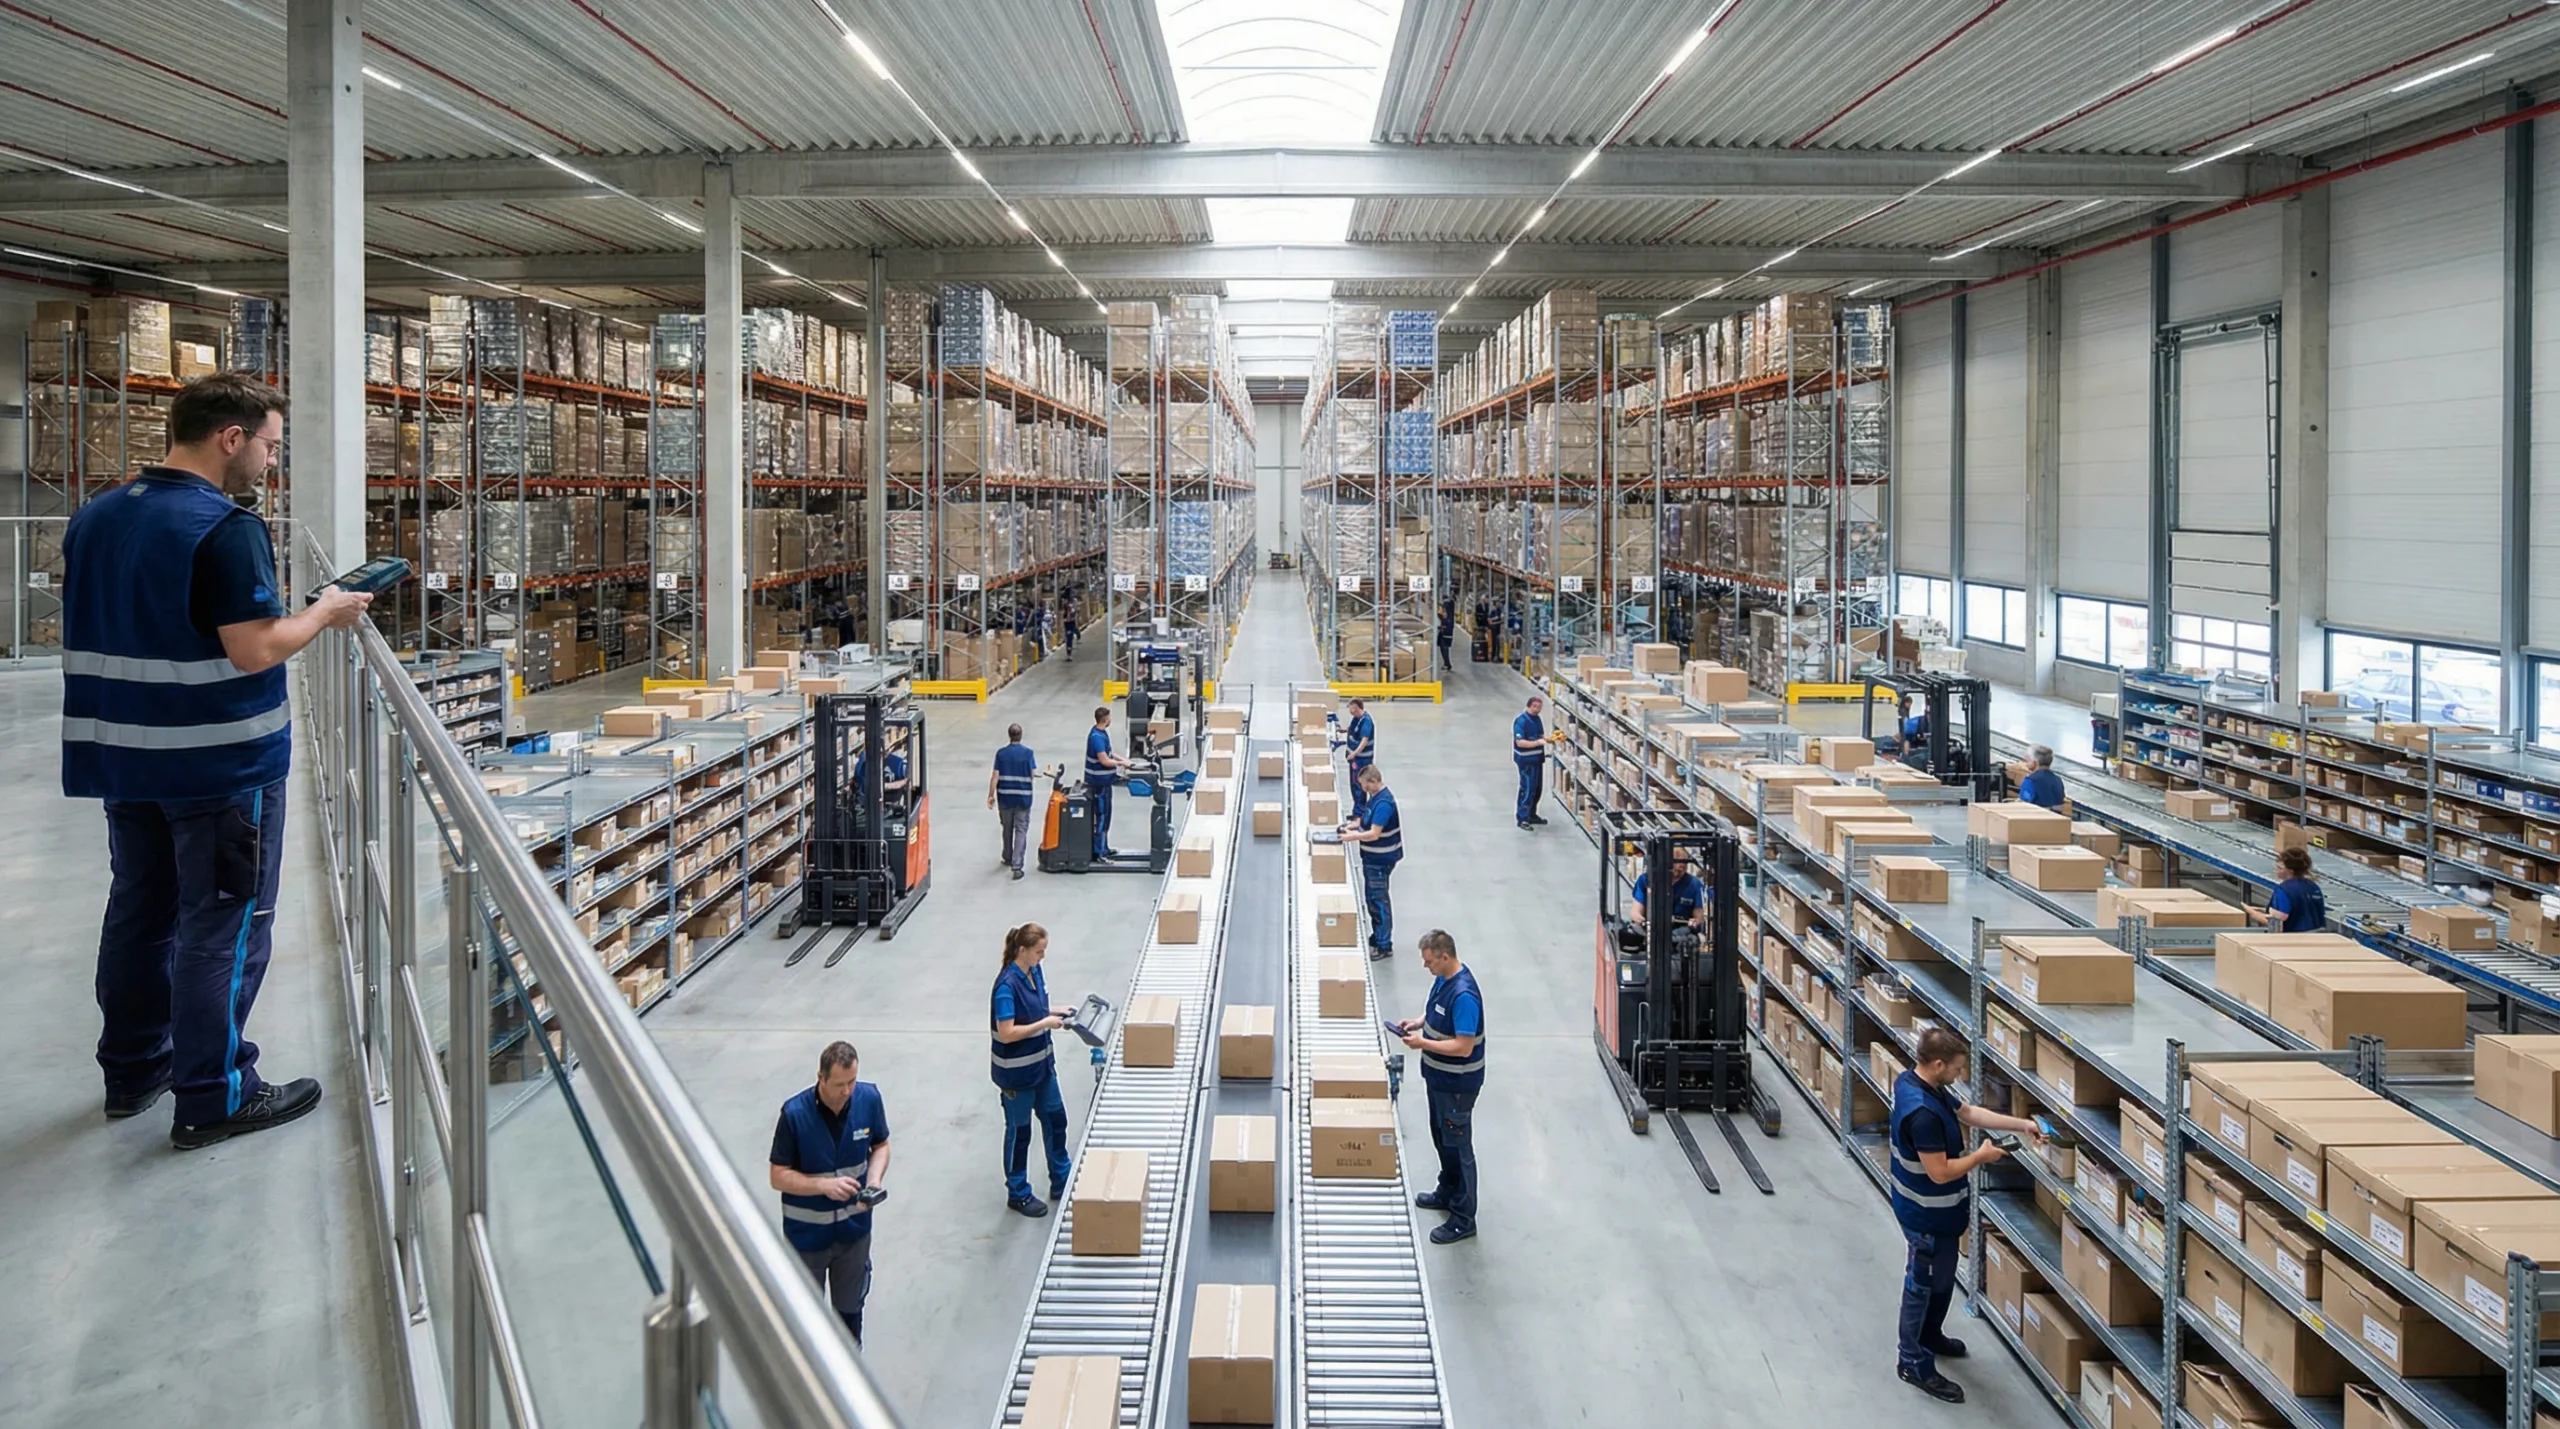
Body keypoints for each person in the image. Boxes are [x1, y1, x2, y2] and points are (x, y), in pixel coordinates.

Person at [63, 374, 371, 1148]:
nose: (270, 460)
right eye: (269, 445)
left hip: (126, 756)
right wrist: (325, 612)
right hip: (218, 764)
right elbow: (254, 647)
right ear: (230, 437)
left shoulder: (98, 514)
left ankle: (134, 1070)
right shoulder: (225, 527)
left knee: (141, 910)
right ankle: (215, 1092)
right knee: (225, 924)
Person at [1889, 1027, 2045, 1404]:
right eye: (1957, 1069)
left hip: (1941, 1215)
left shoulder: (1920, 1083)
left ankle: (1930, 1336)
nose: (1961, 1075)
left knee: (1941, 1281)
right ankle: (1912, 1361)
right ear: (1938, 1064)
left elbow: (1969, 1113)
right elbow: (1940, 1172)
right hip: (1926, 1217)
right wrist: (1981, 1157)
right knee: (1922, 1285)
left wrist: (2021, 1124)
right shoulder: (1922, 1113)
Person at [769, 1040, 890, 1346]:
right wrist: (822, 1185)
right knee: (804, 1322)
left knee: (849, 1318)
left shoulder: (868, 1099)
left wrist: (874, 1180)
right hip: (807, 1240)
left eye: (852, 1081)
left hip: (854, 1235)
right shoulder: (795, 1115)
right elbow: (778, 1175)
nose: (847, 1091)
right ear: (820, 1078)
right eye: (839, 1084)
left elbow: (881, 1146)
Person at [1396, 929, 1482, 1245]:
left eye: (1429, 961)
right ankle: (1447, 1191)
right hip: (1439, 1080)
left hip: (1457, 1085)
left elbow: (1463, 1046)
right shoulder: (1444, 979)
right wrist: (1419, 1023)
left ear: (1445, 956)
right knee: (1442, 1139)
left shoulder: (1464, 996)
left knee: (1458, 1147)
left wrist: (1423, 1043)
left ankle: (1463, 1218)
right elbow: (1435, 1010)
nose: (1426, 966)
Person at [990, 922, 1073, 1217]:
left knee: (1056, 1120)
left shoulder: (1034, 972)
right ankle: (1018, 1193)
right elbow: (1007, 1032)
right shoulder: (1006, 987)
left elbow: (1034, 1008)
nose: (1042, 956)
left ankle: (1062, 1179)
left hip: (1043, 1068)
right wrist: (1045, 1024)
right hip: (1017, 1077)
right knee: (1020, 1133)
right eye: (1039, 951)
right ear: (1022, 950)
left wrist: (1055, 1011)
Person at [1338, 765, 1401, 961]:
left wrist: (1352, 837)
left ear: (1374, 781)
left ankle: (1384, 945)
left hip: (1380, 860)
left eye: (1365, 785)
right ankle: (1377, 937)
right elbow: (1366, 819)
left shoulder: (1384, 804)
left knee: (1378, 900)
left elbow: (1374, 834)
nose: (1363, 789)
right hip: (1372, 859)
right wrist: (1353, 825)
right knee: (1373, 900)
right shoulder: (1375, 798)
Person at [989, 723, 1039, 880]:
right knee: (1021, 830)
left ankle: (1007, 856)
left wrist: (990, 795)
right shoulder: (1028, 753)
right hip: (1023, 798)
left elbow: (995, 776)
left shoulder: (1001, 754)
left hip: (1005, 798)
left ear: (1009, 735)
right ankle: (1017, 866)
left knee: (1007, 827)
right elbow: (1032, 773)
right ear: (1021, 735)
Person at [1084, 706, 1128, 859]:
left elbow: (1109, 753)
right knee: (1102, 816)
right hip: (1099, 784)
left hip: (1105, 783)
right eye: (1109, 717)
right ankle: (1099, 852)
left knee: (1106, 815)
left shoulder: (1101, 733)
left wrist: (1123, 760)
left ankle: (1104, 847)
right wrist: (1121, 764)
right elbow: (1104, 760)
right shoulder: (1096, 737)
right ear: (1106, 720)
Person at [2255, 846, 2329, 933]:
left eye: (2279, 868)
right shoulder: (2313, 887)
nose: (2275, 870)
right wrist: (2263, 910)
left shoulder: (2283, 890)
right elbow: (2301, 910)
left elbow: (2279, 918)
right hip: (2318, 936)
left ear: (2290, 871)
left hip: (2294, 937)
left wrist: (2253, 913)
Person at [1632, 852, 1710, 929]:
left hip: (1682, 931)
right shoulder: (1647, 880)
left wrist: (1695, 921)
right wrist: (1641, 920)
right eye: (1675, 862)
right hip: (1653, 928)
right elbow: (1635, 911)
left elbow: (1699, 916)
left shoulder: (1695, 885)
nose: (1680, 867)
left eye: (1683, 864)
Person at [1512, 695, 1549, 830]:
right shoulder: (1521, 721)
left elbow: (1540, 734)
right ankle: (1522, 818)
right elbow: (1520, 742)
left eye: (1539, 707)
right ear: (1528, 706)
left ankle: (1531, 814)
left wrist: (1548, 739)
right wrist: (1537, 743)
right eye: (1535, 707)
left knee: (1537, 789)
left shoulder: (1537, 719)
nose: (1537, 709)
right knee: (1527, 789)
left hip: (1537, 760)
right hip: (1526, 761)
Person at [1342, 697, 1376, 821]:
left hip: (1362, 759)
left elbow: (1364, 740)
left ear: (1356, 708)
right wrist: (1345, 730)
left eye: (1351, 709)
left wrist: (1354, 754)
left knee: (1360, 785)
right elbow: (1354, 729)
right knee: (1354, 785)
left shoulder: (1366, 721)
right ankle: (1356, 811)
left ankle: (1360, 814)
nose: (1350, 712)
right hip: (1356, 759)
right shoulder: (1357, 719)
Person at [2018, 745, 2066, 809]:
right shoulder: (2058, 780)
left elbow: (2023, 804)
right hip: (2055, 815)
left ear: (2034, 762)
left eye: (2027, 761)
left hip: (2035, 814)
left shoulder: (2031, 780)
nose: (2025, 763)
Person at [1437, 600, 1455, 672]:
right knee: (1442, 649)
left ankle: (1447, 664)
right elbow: (1439, 615)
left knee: (1445, 649)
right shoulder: (1445, 618)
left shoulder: (1449, 620)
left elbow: (1447, 627)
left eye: (1445, 611)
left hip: (1446, 635)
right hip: (1443, 635)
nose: (1443, 613)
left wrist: (1443, 628)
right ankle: (1446, 663)